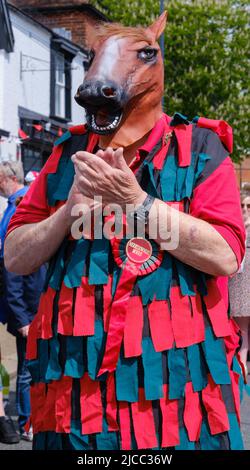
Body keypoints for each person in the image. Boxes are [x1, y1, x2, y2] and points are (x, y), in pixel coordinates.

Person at [4, 14, 246, 450]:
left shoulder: (202, 150)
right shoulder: (66, 156)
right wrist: (66, 214)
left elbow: (225, 255)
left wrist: (138, 204)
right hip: (74, 395)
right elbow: (15, 256)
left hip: (175, 398)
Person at [0, 161, 46, 442]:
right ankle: (27, 424)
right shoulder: (17, 215)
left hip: (37, 311)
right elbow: (12, 273)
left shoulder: (19, 212)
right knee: (26, 372)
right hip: (27, 315)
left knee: (36, 369)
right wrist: (22, 320)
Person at [229, 190, 250, 376]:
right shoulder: (238, 224)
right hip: (240, 281)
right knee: (241, 323)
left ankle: (243, 358)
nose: (244, 209)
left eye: (248, 206)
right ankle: (242, 358)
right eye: (242, 205)